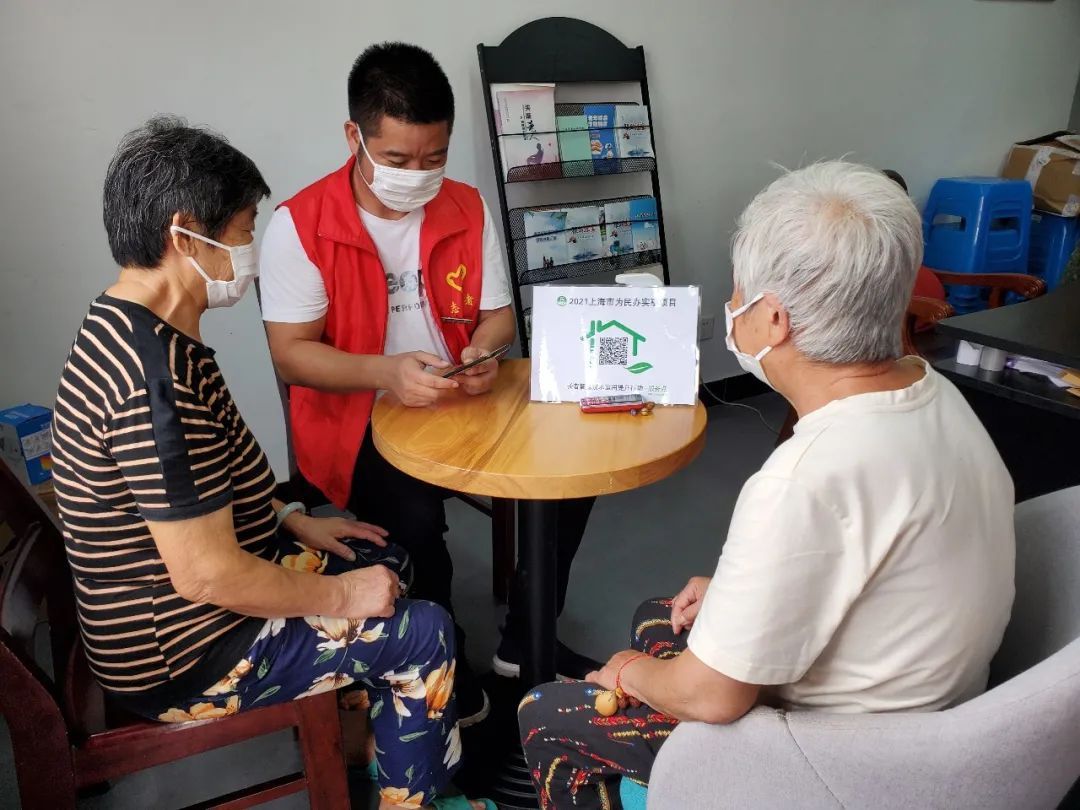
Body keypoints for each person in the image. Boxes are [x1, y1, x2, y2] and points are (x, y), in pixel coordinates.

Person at [518, 161, 1016, 808]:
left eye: (739, 293)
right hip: (930, 710)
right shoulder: (937, 392)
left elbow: (712, 697)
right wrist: (734, 598)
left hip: (841, 764)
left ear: (775, 319)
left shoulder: (805, 477)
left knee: (546, 712)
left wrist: (632, 674)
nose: (732, 309)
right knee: (659, 617)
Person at [51, 117, 493, 810]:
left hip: (175, 608)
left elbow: (197, 492)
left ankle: (366, 739)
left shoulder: (127, 324)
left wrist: (289, 517)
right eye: (244, 228)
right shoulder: (153, 383)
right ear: (184, 235)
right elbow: (207, 575)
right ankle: (415, 798)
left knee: (386, 557)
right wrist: (342, 598)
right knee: (424, 632)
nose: (249, 248)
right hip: (188, 655)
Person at [257, 42, 597, 723]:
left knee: (573, 467)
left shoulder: (465, 206)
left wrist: (481, 351)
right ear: (354, 137)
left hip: (462, 397)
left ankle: (526, 637)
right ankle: (445, 666)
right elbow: (292, 356)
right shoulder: (301, 225)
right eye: (399, 159)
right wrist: (385, 372)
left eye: (434, 158)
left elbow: (499, 317)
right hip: (359, 420)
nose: (418, 176)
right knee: (413, 521)